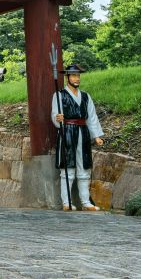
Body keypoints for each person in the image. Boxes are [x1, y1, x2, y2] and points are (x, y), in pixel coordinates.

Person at [52, 63, 104, 211]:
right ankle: (67, 202)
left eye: (78, 76)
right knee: (68, 167)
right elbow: (55, 114)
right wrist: (58, 118)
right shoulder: (59, 95)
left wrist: (96, 136)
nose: (77, 78)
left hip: (83, 133)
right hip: (67, 132)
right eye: (74, 75)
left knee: (84, 167)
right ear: (67, 77)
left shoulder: (86, 96)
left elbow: (91, 117)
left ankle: (86, 202)